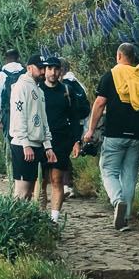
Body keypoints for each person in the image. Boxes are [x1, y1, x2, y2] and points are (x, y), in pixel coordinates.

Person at [87, 40, 139, 230]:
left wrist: (91, 130)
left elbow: (100, 103)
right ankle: (124, 219)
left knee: (108, 169)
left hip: (115, 133)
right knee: (129, 176)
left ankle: (117, 201)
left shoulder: (111, 75)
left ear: (119, 56)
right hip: (137, 136)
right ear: (133, 57)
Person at [6, 52, 57, 206]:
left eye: (44, 68)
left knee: (30, 193)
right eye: (40, 68)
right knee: (21, 191)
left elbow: (43, 119)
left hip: (37, 145)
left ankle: (24, 226)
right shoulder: (21, 87)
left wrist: (48, 145)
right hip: (22, 145)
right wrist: (25, 144)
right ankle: (13, 226)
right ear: (29, 68)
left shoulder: (39, 90)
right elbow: (18, 116)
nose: (43, 71)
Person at [38, 54, 81, 220]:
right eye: (50, 69)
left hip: (61, 140)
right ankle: (40, 217)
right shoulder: (38, 89)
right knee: (40, 181)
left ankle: (54, 219)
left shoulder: (66, 91)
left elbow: (75, 118)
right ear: (45, 70)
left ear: (60, 71)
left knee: (57, 179)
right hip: (40, 140)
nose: (53, 73)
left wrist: (76, 141)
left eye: (56, 69)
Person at [0, 52, 26, 189]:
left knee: (9, 140)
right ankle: (24, 170)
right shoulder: (24, 73)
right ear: (18, 58)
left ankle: (11, 173)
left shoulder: (1, 75)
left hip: (8, 112)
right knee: (23, 140)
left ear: (5, 60)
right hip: (23, 111)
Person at [56, 62, 90, 200]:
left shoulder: (63, 85)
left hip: (67, 124)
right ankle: (68, 185)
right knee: (68, 154)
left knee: (63, 155)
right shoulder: (78, 83)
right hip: (79, 123)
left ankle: (66, 186)